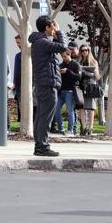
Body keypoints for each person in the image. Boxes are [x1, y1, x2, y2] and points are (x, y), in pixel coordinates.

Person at [30, 16, 67, 157]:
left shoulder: (40, 42)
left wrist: (56, 35)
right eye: (53, 27)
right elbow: (63, 47)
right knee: (45, 118)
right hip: (47, 85)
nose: (54, 30)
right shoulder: (42, 42)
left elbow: (57, 48)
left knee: (41, 116)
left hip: (43, 84)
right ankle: (42, 146)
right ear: (47, 27)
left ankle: (40, 146)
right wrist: (60, 32)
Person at [55, 45, 81, 136]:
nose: (63, 58)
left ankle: (71, 130)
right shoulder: (61, 65)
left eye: (65, 56)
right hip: (61, 91)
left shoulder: (75, 64)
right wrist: (59, 73)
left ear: (69, 55)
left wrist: (68, 71)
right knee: (56, 109)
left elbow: (79, 77)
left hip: (70, 91)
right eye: (62, 56)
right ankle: (61, 128)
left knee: (70, 111)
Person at [78, 49, 102, 136]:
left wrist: (93, 72)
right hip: (80, 86)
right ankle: (84, 128)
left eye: (86, 50)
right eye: (82, 50)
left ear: (89, 51)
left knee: (91, 108)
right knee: (81, 107)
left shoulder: (93, 62)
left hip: (91, 86)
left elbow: (98, 77)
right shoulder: (78, 61)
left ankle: (91, 128)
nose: (84, 52)